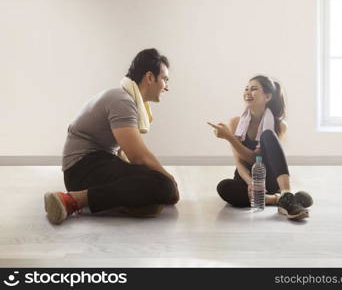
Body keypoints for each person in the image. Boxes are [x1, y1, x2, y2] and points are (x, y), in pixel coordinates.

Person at [44, 48, 179, 224]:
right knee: (164, 185)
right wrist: (171, 181)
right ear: (150, 77)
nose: (167, 87)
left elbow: (126, 156)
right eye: (164, 79)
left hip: (95, 164)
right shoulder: (122, 101)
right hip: (82, 170)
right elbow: (138, 156)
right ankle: (71, 200)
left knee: (155, 183)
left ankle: (120, 202)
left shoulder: (126, 98)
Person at [208, 75, 313, 220]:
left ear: (267, 96)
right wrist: (251, 183)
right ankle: (277, 199)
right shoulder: (235, 122)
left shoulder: (279, 125)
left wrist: (229, 138)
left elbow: (255, 158)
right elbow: (239, 162)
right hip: (246, 178)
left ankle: (286, 194)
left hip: (267, 179)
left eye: (254, 89)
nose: (248, 92)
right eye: (246, 89)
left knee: (268, 135)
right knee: (224, 187)